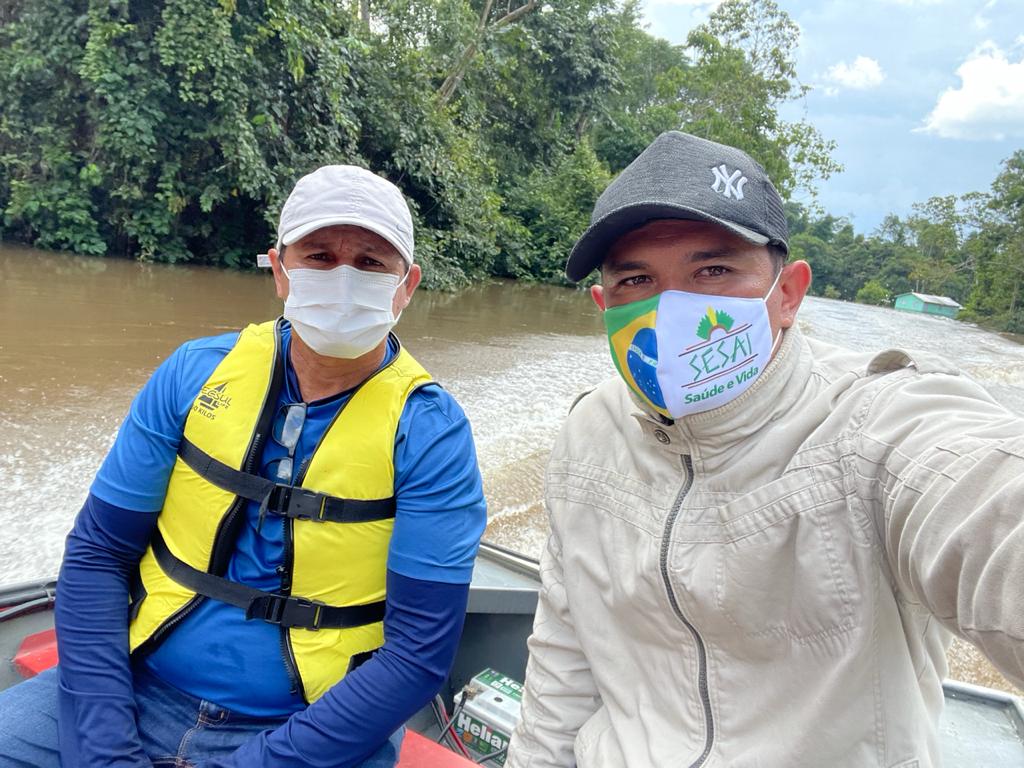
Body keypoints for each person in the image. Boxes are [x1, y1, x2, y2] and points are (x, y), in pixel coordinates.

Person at [506, 131, 1024, 768]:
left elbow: (983, 502)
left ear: (787, 294)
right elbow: (566, 653)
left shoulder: (875, 424)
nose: (674, 308)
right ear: (602, 304)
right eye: (636, 279)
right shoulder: (588, 434)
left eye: (714, 270)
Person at [0, 165, 487, 767]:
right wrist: (105, 752)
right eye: (319, 255)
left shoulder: (432, 434)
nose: (342, 279)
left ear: (405, 286)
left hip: (310, 729)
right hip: (138, 686)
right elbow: (98, 553)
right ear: (279, 270)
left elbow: (417, 654)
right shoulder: (192, 373)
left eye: (370, 263)